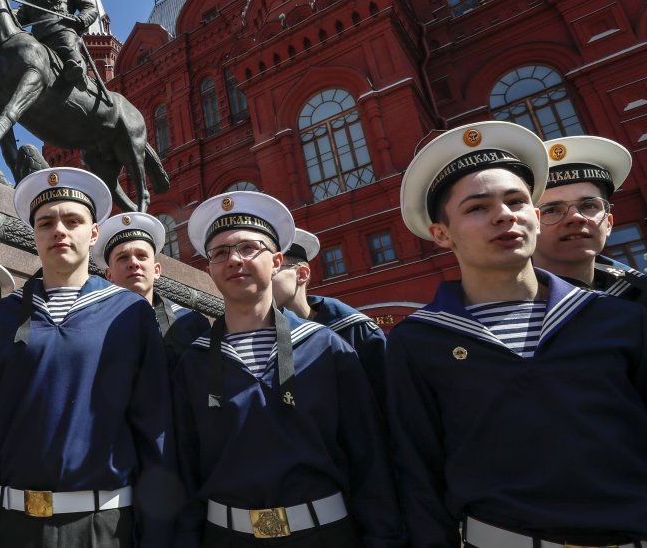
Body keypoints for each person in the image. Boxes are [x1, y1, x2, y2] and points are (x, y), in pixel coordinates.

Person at [390, 121, 647, 547]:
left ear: (533, 214)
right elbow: (418, 476)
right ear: (441, 234)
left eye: (517, 201)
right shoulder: (420, 342)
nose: (504, 215)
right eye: (476, 208)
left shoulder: (618, 318)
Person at [0, 167, 175, 548]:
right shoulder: (0, 319)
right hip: (12, 527)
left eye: (73, 220)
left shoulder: (129, 314)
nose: (59, 231)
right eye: (47, 222)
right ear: (33, 233)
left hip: (104, 528)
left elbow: (156, 434)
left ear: (94, 233)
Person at [172, 192, 404, 548]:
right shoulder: (194, 362)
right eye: (220, 253)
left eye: (249, 248)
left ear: (278, 261)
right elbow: (183, 471)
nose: (234, 259)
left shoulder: (327, 348)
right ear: (210, 271)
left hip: (323, 535)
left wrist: (384, 538)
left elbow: (369, 458)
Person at [271, 228, 387, 408]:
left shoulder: (354, 330)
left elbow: (388, 398)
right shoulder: (260, 334)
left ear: (301, 274)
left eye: (273, 268)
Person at [533, 135, 646, 303]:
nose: (576, 217)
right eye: (552, 210)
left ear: (609, 223)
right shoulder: (498, 309)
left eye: (589, 206)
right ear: (528, 224)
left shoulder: (639, 292)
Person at [94, 212, 210, 368]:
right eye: (122, 258)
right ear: (109, 275)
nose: (133, 263)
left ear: (156, 270)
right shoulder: (94, 325)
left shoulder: (189, 322)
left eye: (141, 256)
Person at [15, 0, 98, 91]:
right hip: (37, 40)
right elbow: (15, 15)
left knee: (67, 47)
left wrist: (81, 19)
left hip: (62, 30)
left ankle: (78, 72)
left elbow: (90, 8)